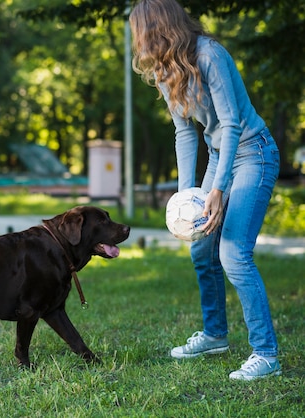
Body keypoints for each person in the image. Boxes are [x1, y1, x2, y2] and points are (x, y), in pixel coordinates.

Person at [129, 0, 282, 380]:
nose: (139, 42)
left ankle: (266, 354)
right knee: (202, 247)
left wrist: (217, 189)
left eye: (141, 32)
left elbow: (230, 124)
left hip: (253, 152)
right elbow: (185, 133)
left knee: (233, 252)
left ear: (158, 27)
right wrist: (187, 198)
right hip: (219, 153)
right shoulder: (165, 71)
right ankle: (215, 334)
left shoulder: (209, 55)